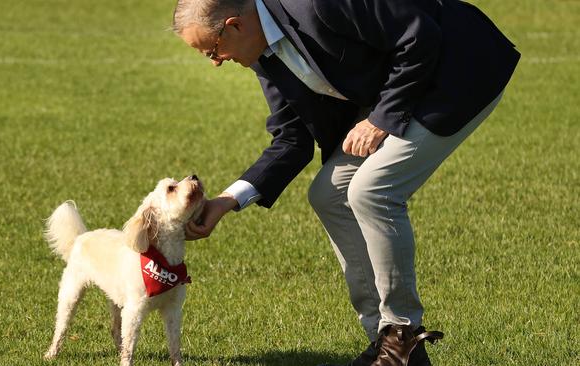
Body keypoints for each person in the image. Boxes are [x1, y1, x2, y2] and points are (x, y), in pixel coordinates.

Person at [173, 0, 519, 365]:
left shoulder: (316, 4)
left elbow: (419, 35)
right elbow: (292, 138)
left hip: (459, 70)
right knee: (328, 194)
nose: (215, 61)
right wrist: (228, 200)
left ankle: (402, 334)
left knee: (373, 189)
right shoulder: (263, 54)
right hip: (406, 87)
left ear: (235, 25)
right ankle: (387, 347)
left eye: (212, 49)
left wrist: (380, 119)